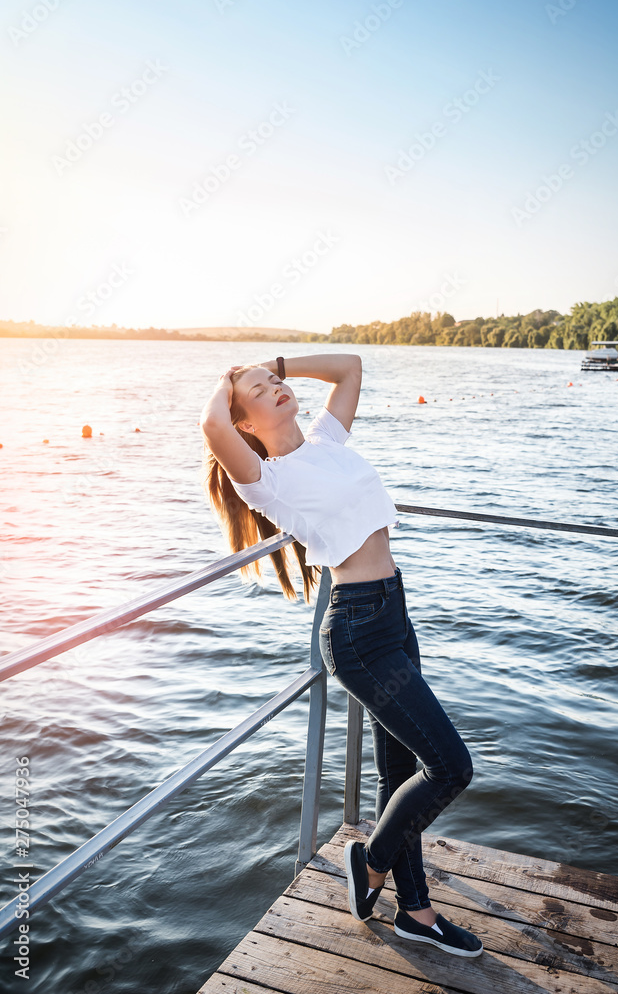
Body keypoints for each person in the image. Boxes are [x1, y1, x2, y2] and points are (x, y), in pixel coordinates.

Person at [199, 353, 482, 956]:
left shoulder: (325, 438)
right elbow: (211, 427)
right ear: (244, 420)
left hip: (393, 611)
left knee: (400, 774)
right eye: (261, 390)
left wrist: (275, 362)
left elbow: (350, 367)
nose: (276, 387)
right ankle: (371, 864)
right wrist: (228, 382)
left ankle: (418, 914)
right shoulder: (264, 477)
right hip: (357, 631)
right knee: (451, 767)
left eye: (276, 381)